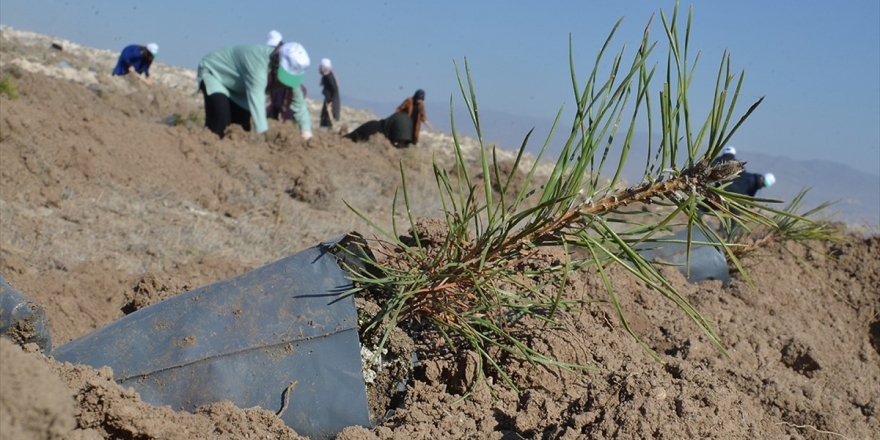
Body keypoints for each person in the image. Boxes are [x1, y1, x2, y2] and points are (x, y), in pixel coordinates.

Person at [197, 42, 313, 140]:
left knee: (240, 130)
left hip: (239, 88)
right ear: (276, 62)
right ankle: (204, 152)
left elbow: (299, 103)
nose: (283, 84)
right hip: (215, 74)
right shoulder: (258, 67)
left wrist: (306, 134)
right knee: (221, 118)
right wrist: (264, 141)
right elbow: (257, 104)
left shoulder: (291, 70)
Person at [319, 58, 340, 128]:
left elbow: (335, 90)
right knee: (324, 124)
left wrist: (331, 104)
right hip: (328, 101)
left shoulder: (329, 77)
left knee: (329, 124)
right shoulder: (326, 76)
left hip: (331, 104)